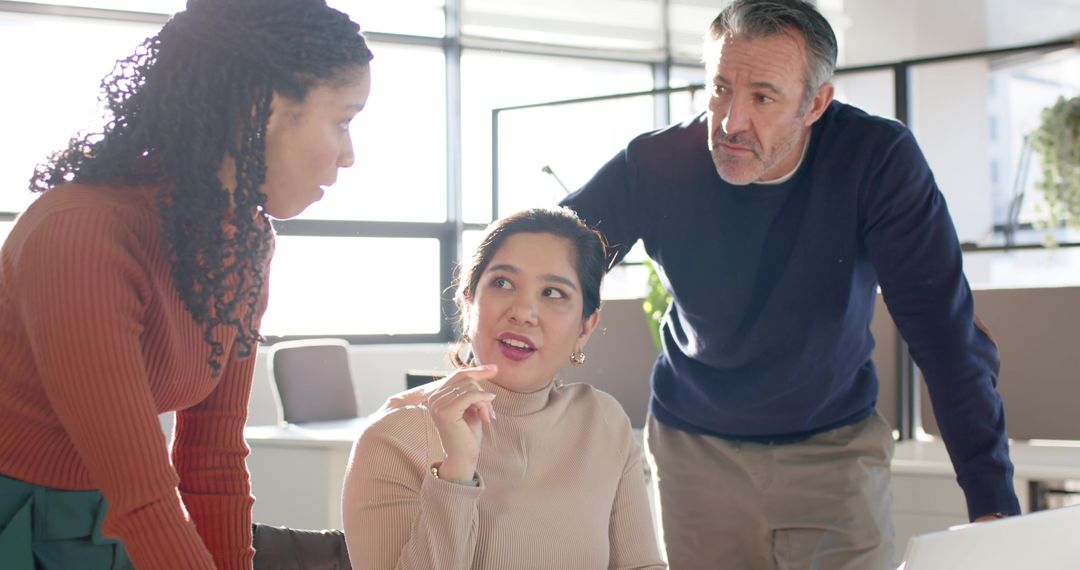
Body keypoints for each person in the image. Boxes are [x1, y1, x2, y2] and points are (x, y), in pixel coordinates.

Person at [558, 0, 1020, 568]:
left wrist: (991, 498)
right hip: (695, 449)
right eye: (720, 88)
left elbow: (944, 331)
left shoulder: (876, 161)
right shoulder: (655, 163)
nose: (730, 122)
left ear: (816, 104)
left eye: (763, 97)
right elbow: (553, 256)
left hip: (834, 450)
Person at [0, 1, 373, 568]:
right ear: (261, 107)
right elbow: (146, 497)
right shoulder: (81, 233)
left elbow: (214, 461)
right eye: (343, 120)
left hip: (116, 518)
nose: (350, 156)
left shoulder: (243, 238)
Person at [341, 207, 666, 570]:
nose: (523, 311)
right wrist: (457, 474)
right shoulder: (393, 439)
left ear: (586, 327)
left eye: (553, 292)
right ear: (468, 302)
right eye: (502, 283)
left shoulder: (604, 422)